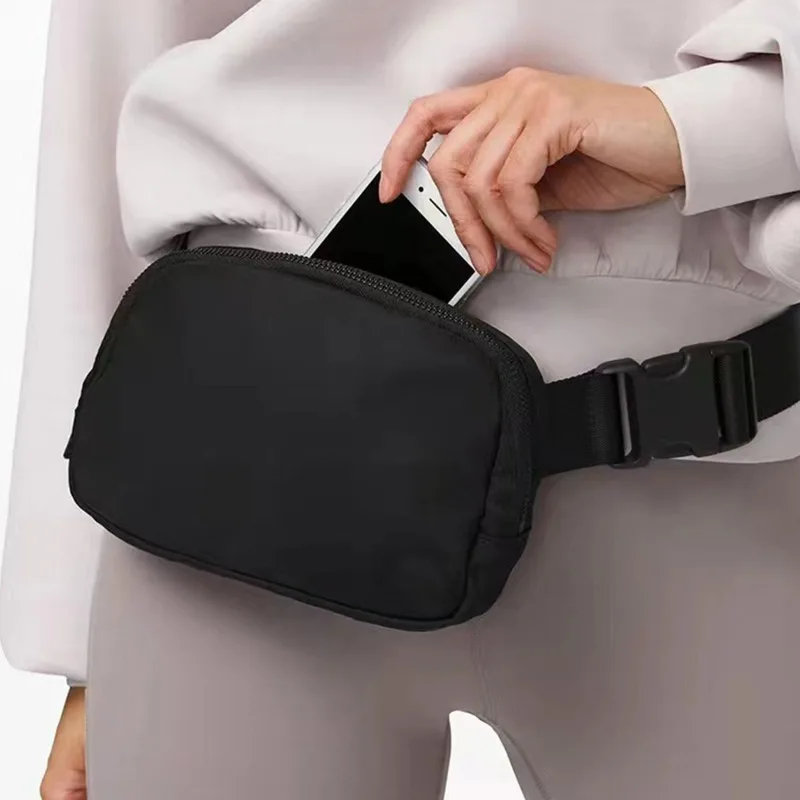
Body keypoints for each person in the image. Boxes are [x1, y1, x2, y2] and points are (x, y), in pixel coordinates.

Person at [2, 0, 800, 797]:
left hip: (703, 482)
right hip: (237, 494)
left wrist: (709, 124)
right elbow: (111, 61)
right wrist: (76, 631)